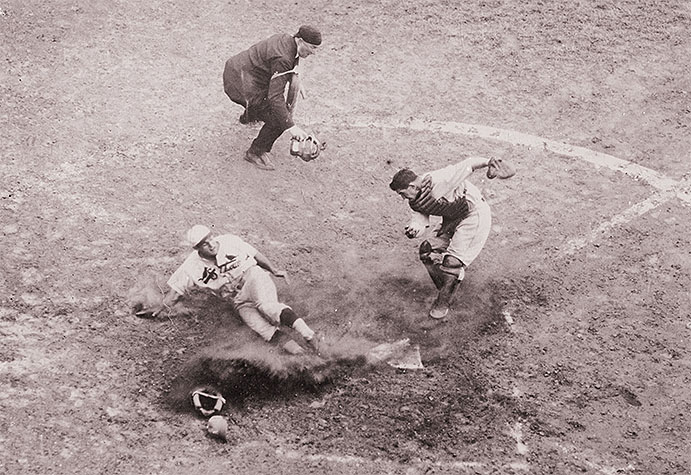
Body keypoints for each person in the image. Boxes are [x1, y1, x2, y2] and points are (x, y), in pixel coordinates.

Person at [145, 225, 321, 355]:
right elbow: (175, 292)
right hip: (237, 299)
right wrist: (160, 309)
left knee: (267, 306)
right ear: (197, 248)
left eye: (210, 239)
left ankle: (310, 336)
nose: (211, 245)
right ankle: (300, 354)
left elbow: (255, 254)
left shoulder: (229, 241)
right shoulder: (190, 267)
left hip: (252, 278)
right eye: (204, 244)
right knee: (261, 328)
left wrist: (273, 269)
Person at [389, 157, 495, 320]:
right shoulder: (415, 198)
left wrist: (489, 162)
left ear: (411, 186)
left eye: (403, 194)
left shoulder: (439, 179)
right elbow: (420, 219)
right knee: (426, 251)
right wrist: (414, 229)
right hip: (451, 218)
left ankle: (443, 303)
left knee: (452, 262)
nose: (403, 198)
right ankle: (448, 285)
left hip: (474, 214)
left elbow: (468, 165)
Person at [223, 25, 322, 171]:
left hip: (238, 70)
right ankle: (255, 152)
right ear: (300, 40)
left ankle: (249, 115)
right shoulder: (283, 58)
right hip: (241, 85)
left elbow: (285, 62)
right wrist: (291, 127)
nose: (313, 52)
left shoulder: (287, 39)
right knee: (278, 118)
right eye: (312, 47)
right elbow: (275, 97)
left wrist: (295, 80)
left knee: (266, 105)